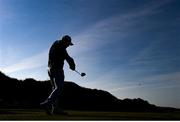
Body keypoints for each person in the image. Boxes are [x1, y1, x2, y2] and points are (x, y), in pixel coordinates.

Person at [40, 35, 75, 115]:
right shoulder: (61, 47)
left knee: (55, 89)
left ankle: (55, 109)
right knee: (59, 88)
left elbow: (66, 57)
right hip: (57, 69)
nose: (68, 46)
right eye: (68, 44)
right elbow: (69, 58)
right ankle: (47, 103)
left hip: (49, 69)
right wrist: (72, 65)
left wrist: (70, 64)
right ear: (64, 41)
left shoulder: (55, 44)